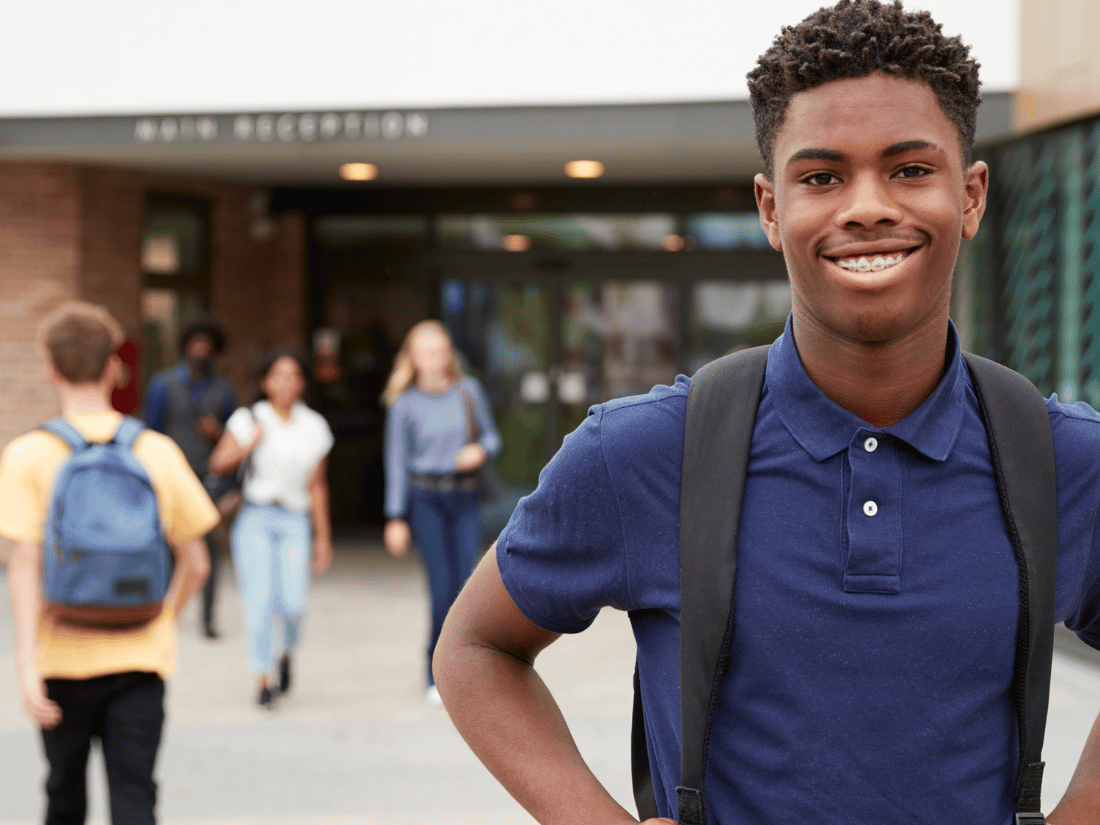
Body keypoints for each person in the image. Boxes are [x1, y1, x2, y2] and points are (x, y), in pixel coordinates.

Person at [432, 2, 1100, 823]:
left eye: (910, 170)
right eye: (821, 177)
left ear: (971, 195)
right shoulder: (643, 451)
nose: (865, 206)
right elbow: (474, 647)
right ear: (771, 208)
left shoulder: (1063, 459)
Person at [1, 300, 215, 825]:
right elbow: (198, 561)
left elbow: (24, 561)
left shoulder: (28, 454)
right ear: (115, 367)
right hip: (141, 659)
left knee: (64, 797)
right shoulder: (156, 451)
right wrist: (163, 617)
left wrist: (27, 666)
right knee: (135, 798)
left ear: (51, 368)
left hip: (61, 659)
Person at [381, 320, 501, 705]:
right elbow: (396, 460)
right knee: (440, 588)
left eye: (438, 350)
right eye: (424, 352)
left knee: (467, 586)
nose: (433, 359)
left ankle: (467, 670)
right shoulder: (405, 404)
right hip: (426, 498)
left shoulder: (468, 391)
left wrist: (479, 451)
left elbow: (492, 436)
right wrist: (395, 517)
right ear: (412, 358)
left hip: (463, 496)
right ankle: (433, 671)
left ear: (448, 354)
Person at [209, 349, 334, 709]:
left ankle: (286, 654)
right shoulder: (249, 418)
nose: (285, 382)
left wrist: (323, 538)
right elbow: (219, 462)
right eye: (277, 374)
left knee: (293, 604)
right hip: (256, 517)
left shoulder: (314, 427)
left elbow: (317, 487)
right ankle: (262, 678)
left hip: (295, 519)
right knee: (259, 602)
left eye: (293, 374)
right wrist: (249, 443)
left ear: (302, 382)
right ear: (265, 382)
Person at [144, 316, 238, 639]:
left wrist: (219, 432)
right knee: (169, 546)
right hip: (171, 475)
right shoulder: (163, 385)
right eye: (195, 342)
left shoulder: (223, 389)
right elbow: (150, 432)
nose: (201, 348)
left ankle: (208, 618)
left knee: (208, 547)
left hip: (206, 478)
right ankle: (165, 610)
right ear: (186, 346)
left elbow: (234, 438)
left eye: (206, 344)